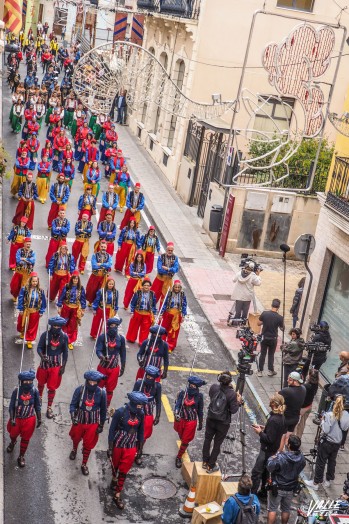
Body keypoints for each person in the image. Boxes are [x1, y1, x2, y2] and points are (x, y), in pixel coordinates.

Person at [108, 391, 148, 509]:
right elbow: (111, 430)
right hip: (118, 443)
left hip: (131, 445)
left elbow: (141, 431)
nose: (140, 407)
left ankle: (117, 494)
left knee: (124, 469)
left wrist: (140, 448)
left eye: (142, 405)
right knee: (115, 465)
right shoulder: (120, 412)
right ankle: (114, 478)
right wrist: (110, 447)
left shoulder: (141, 414)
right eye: (139, 405)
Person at [305, 395, 349, 490]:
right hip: (337, 442)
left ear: (334, 403)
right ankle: (328, 480)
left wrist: (322, 421)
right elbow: (345, 428)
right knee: (332, 461)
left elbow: (326, 429)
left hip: (327, 442)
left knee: (321, 462)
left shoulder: (329, 415)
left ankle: (316, 482)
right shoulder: (347, 415)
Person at [69, 370, 107, 476]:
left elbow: (103, 411)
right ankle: (74, 449)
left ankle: (84, 463)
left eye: (95, 382)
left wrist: (101, 425)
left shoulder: (102, 393)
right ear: (87, 381)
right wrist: (73, 417)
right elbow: (72, 405)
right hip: (80, 420)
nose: (92, 384)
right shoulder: (80, 390)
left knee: (88, 444)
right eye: (90, 382)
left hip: (93, 423)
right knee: (75, 438)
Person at [202, 371, 241, 473]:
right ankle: (211, 465)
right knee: (217, 444)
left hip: (211, 418)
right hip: (223, 423)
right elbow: (233, 410)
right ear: (230, 381)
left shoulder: (214, 387)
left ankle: (205, 461)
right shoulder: (232, 394)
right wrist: (238, 401)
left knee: (207, 440)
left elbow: (211, 397)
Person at [251, 393, 286, 498]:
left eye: (270, 401)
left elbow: (269, 439)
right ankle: (263, 492)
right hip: (273, 450)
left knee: (256, 473)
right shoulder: (281, 417)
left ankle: (252, 495)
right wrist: (264, 428)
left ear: (273, 404)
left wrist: (260, 432)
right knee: (266, 472)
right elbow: (275, 433)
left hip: (266, 450)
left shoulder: (274, 420)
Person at [266, 435, 305, 524]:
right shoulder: (302, 458)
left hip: (278, 487)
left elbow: (270, 467)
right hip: (291, 488)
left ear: (289, 445)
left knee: (272, 509)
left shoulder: (281, 457)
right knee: (286, 509)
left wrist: (275, 456)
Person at [7, 369, 41, 468]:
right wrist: (12, 419)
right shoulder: (16, 391)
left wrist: (39, 418)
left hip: (29, 419)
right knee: (13, 434)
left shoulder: (35, 391)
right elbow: (11, 406)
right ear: (21, 382)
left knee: (26, 439)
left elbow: (37, 406)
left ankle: (21, 456)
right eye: (25, 382)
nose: (28, 383)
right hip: (17, 418)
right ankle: (13, 442)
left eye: (30, 381)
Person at [36, 316, 69, 418]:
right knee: (41, 383)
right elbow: (39, 348)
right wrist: (42, 356)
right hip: (44, 364)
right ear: (51, 325)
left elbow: (65, 353)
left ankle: (49, 407)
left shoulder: (64, 337)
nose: (56, 327)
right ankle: (39, 397)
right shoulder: (45, 335)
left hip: (56, 366)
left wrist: (63, 366)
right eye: (54, 325)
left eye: (58, 326)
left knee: (52, 387)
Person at [174, 375, 206, 468]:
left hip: (191, 422)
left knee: (185, 440)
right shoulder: (183, 393)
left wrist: (200, 422)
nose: (191, 387)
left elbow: (200, 410)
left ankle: (179, 456)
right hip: (181, 419)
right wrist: (176, 413)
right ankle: (182, 448)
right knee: (181, 436)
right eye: (190, 385)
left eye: (194, 386)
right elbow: (178, 404)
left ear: (197, 387)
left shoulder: (199, 396)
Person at [133, 366, 162, 465]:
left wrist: (158, 415)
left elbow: (158, 401)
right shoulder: (139, 383)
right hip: (137, 412)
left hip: (148, 414)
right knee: (133, 432)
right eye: (147, 376)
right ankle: (132, 450)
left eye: (151, 377)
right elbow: (132, 398)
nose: (148, 379)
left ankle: (139, 453)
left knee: (143, 435)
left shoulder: (157, 386)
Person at [96, 317, 126, 408]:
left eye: (116, 326)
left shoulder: (121, 339)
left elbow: (123, 353)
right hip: (103, 367)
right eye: (112, 326)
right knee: (99, 387)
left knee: (110, 390)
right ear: (108, 326)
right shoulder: (102, 337)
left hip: (114, 368)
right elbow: (98, 350)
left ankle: (106, 406)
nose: (114, 327)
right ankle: (97, 404)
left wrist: (123, 367)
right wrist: (102, 357)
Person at [17, 272, 47, 349]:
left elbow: (43, 302)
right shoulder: (25, 289)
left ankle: (29, 339)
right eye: (33, 281)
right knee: (22, 322)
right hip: (26, 310)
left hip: (35, 311)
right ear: (30, 281)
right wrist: (20, 309)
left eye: (36, 281)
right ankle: (22, 332)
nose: (35, 283)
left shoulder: (41, 291)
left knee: (32, 326)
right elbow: (20, 299)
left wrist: (41, 311)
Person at [57, 271, 86, 349]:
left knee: (72, 325)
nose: (75, 280)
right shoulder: (67, 286)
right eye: (74, 279)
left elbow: (83, 299)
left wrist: (83, 308)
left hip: (75, 308)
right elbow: (61, 297)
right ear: (72, 279)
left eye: (77, 279)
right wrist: (59, 306)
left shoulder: (81, 288)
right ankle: (61, 337)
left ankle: (69, 340)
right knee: (64, 322)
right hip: (66, 307)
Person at [278, 372, 306, 448]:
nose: (287, 380)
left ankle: (279, 454)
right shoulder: (303, 389)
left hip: (286, 419)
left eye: (290, 380)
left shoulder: (287, 391)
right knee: (288, 439)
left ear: (296, 381)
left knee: (282, 439)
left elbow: (276, 398)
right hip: (295, 418)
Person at [257, 299, 284, 377]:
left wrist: (264, 321)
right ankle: (270, 370)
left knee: (263, 353)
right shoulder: (280, 317)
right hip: (273, 338)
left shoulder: (265, 314)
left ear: (271, 305)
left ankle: (260, 371)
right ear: (278, 307)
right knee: (271, 354)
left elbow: (258, 323)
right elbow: (282, 328)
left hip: (264, 337)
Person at [126, 279, 157, 345]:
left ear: (150, 286)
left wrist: (154, 313)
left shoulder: (152, 294)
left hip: (147, 314)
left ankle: (142, 342)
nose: (146, 287)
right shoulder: (138, 292)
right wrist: (132, 312)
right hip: (138, 312)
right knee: (134, 326)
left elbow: (154, 305)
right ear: (142, 286)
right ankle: (131, 338)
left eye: (148, 285)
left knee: (145, 329)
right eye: (145, 285)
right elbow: (133, 303)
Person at [160, 279, 188, 352]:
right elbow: (165, 304)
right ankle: (161, 344)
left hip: (177, 316)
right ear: (173, 287)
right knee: (164, 329)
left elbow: (184, 305)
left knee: (174, 331)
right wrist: (161, 313)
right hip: (168, 314)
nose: (177, 289)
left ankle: (170, 345)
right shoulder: (169, 294)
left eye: (179, 287)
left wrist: (183, 315)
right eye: (176, 287)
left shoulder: (182, 295)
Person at [85, 240, 112, 305]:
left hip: (103, 276)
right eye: (102, 246)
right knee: (92, 289)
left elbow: (109, 264)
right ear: (99, 247)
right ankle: (91, 301)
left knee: (101, 290)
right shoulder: (95, 255)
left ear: (106, 248)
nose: (103, 248)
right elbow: (94, 266)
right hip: (95, 275)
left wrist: (100, 264)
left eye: (104, 247)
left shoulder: (109, 256)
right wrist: (104, 265)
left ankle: (98, 302)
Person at [295, 369, 319, 438]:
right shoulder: (316, 385)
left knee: (295, 422)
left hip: (302, 407)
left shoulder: (305, 386)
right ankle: (298, 437)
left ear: (309, 376)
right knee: (302, 423)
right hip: (309, 406)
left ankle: (292, 437)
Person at [10, 237, 36, 301]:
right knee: (15, 285)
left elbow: (32, 261)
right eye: (27, 244)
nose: (28, 245)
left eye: (29, 244)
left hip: (27, 273)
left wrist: (25, 259)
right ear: (24, 244)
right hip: (19, 271)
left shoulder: (32, 252)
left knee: (24, 287)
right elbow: (18, 260)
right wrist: (27, 261)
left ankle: (22, 299)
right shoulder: (19, 251)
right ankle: (15, 296)